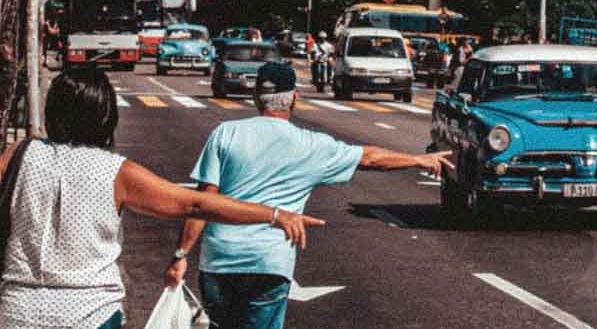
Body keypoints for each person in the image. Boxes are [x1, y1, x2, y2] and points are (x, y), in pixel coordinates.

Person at [0, 68, 325, 329]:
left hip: (17, 311)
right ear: (106, 115)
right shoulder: (117, 172)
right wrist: (273, 215)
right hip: (89, 314)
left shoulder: (20, 154)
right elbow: (194, 203)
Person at [165, 62, 454, 329]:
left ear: (256, 96)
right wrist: (418, 160)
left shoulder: (225, 133)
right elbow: (370, 158)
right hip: (269, 263)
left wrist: (180, 255)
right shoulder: (311, 145)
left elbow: (202, 203)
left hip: (220, 261)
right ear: (294, 98)